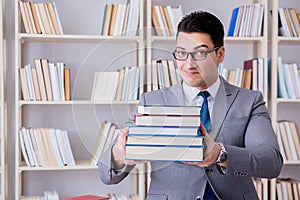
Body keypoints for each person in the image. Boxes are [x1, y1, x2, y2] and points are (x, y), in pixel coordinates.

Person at [98, 11, 283, 200]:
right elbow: (106, 174)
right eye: (181, 53)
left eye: (200, 53)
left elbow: (271, 162)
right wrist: (119, 155)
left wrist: (220, 153)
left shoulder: (249, 101)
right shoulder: (152, 102)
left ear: (220, 54)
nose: (188, 63)